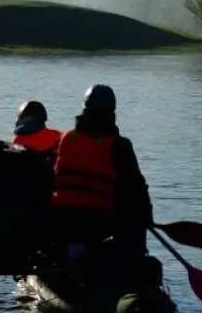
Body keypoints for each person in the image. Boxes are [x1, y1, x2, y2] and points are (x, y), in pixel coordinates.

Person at [47, 83, 154, 267]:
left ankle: (68, 252)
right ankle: (132, 266)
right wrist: (146, 218)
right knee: (134, 219)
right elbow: (138, 190)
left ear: (85, 108)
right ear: (112, 112)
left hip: (61, 219)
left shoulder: (64, 138)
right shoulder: (119, 145)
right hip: (96, 221)